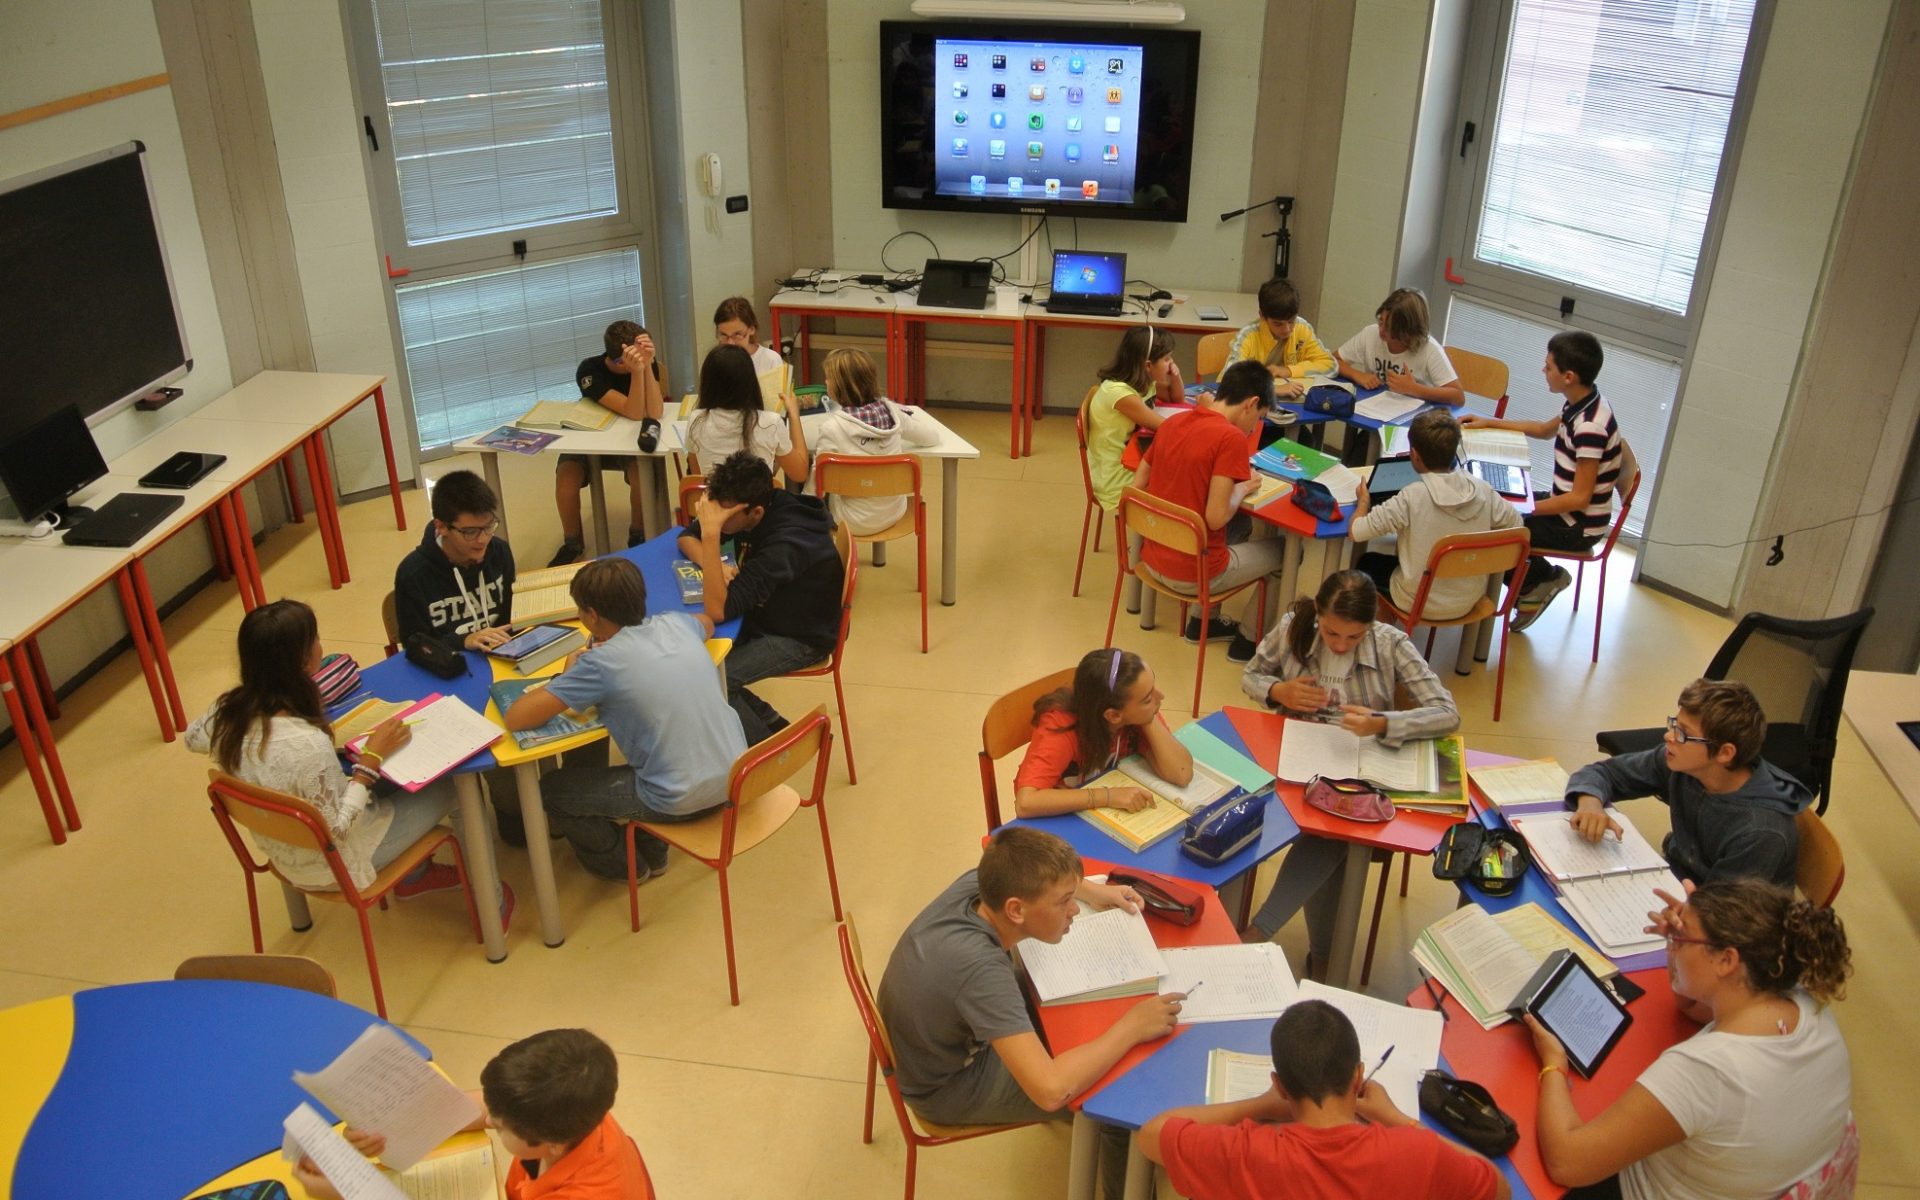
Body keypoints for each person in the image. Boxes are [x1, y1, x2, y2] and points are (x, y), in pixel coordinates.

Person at [878, 827, 1182, 1196]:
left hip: (930, 1045)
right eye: (1064, 902)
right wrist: (1131, 1027)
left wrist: (1094, 891)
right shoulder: (981, 972)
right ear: (1016, 910)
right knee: (1113, 1102)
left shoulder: (982, 884)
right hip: (947, 1086)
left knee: (1079, 1031)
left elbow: (1026, 868)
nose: (1074, 910)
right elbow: (1050, 1090)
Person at [1523, 878, 1853, 1200]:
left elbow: (1567, 1162)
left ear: (1726, 960)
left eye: (1681, 938)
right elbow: (1691, 1006)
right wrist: (1680, 946)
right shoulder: (1802, 1003)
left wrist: (1554, 1066)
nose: (1673, 942)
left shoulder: (1704, 1070)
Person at [185, 600, 510, 922]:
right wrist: (370, 761)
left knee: (394, 781)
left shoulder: (226, 714)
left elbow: (191, 738)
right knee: (458, 788)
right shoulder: (306, 745)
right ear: (303, 661)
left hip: (280, 849)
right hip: (337, 865)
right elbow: (338, 831)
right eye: (315, 639)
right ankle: (491, 906)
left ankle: (417, 877)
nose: (320, 645)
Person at [1239, 571, 1459, 970]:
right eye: (1331, 633)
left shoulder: (1391, 644)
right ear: (1318, 614)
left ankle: (1264, 933)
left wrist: (1383, 722)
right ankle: (1322, 958)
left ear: (1370, 625)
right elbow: (1251, 675)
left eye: (1353, 637)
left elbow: (1447, 713)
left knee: (1335, 830)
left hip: (1359, 771)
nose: (1340, 645)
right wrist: (1278, 691)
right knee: (1313, 829)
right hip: (1295, 762)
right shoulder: (1292, 628)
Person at [503, 557, 745, 883]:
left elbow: (517, 717)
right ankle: (653, 850)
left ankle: (626, 865)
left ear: (591, 616)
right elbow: (707, 624)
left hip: (681, 798)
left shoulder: (599, 664)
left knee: (552, 792)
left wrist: (567, 677)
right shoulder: (675, 623)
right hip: (735, 778)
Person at [1138, 999, 1508, 1200]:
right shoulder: (1416, 1153)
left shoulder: (1248, 1154)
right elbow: (1497, 1188)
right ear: (1358, 1076)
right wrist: (1397, 1119)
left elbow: (1152, 1135)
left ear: (1280, 1086)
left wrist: (1258, 1105)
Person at [293, 1028, 652, 1199]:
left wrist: (350, 1194)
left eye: (501, 1126)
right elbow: (486, 1108)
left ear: (552, 1144)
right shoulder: (576, 1104)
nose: (489, 1120)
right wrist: (384, 1125)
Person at [1565, 679, 1809, 890]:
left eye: (1682, 733)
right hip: (1678, 881)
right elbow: (1604, 772)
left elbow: (1720, 913)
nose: (1668, 736)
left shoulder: (1760, 832)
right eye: (1674, 724)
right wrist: (1590, 803)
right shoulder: (1686, 764)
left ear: (1724, 753)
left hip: (1719, 914)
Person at [1461, 330, 1623, 630]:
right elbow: (1544, 430)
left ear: (1569, 376)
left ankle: (1539, 580)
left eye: (1548, 367)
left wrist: (1526, 508)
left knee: (1494, 528)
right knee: (1497, 505)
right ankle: (1533, 579)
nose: (1543, 370)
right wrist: (1491, 422)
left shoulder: (1590, 426)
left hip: (1577, 526)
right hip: (1565, 508)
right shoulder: (1582, 401)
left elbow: (1579, 499)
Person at [678, 451, 842, 743]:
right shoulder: (753, 502)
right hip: (769, 612)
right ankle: (771, 724)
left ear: (755, 513)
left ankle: (771, 754)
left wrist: (712, 536)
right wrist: (712, 559)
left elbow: (716, 610)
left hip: (802, 636)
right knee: (693, 661)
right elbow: (685, 537)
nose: (713, 519)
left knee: (713, 679)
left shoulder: (784, 545)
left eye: (722, 516)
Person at [1132, 360, 1288, 661]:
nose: (1254, 428)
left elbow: (1138, 486)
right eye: (1259, 418)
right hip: (1194, 574)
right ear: (1251, 403)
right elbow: (1215, 518)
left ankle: (1202, 622)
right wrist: (1242, 488)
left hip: (1151, 559)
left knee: (1240, 526)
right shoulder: (1231, 438)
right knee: (1287, 552)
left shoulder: (1172, 423)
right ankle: (1248, 641)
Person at [1350, 407, 1523, 620]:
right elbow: (1517, 524)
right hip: (1469, 600)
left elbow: (1356, 532)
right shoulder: (1482, 490)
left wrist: (1363, 502)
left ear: (1414, 455)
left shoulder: (1412, 496)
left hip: (1417, 601)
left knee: (1367, 563)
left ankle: (1386, 629)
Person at [1012, 648, 1195, 818]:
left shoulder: (1138, 717)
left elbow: (1182, 773)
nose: (1160, 697)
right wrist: (1108, 796)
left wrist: (1149, 718)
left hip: (1099, 814)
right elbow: (1026, 803)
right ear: (1113, 716)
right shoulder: (1060, 727)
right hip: (1059, 817)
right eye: (1147, 699)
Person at [549, 320, 669, 567]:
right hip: (591, 438)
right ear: (619, 361)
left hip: (627, 443)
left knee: (641, 476)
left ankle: (637, 533)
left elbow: (655, 411)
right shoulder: (589, 371)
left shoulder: (645, 364)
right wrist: (637, 371)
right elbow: (633, 410)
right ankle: (572, 542)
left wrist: (646, 367)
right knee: (566, 478)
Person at [805, 347, 938, 535]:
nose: (825, 382)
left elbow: (816, 483)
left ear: (838, 387)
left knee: (819, 481)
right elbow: (931, 437)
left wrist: (800, 507)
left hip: (850, 521)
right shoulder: (892, 412)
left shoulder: (832, 428)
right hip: (894, 512)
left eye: (828, 378)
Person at [394, 469, 516, 655]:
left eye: (488, 526)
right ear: (442, 527)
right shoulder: (413, 574)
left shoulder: (499, 551)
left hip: (502, 653)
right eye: (470, 532)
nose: (483, 540)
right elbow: (416, 644)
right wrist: (462, 641)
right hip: (451, 662)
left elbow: (512, 614)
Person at [1086, 325, 1182, 515]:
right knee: (1182, 481)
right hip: (1115, 478)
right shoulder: (1120, 394)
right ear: (1148, 365)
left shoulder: (1143, 381)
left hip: (1131, 457)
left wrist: (1175, 377)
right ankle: (1157, 532)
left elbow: (1175, 399)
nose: (1171, 363)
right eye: (1167, 359)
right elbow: (1165, 426)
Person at [683, 343, 810, 482]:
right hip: (759, 496)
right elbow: (800, 474)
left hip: (714, 495)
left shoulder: (696, 419)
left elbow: (698, 476)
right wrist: (794, 414)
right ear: (750, 381)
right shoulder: (770, 423)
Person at [1334, 288, 1465, 407]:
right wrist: (1357, 375)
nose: (1381, 330)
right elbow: (1333, 361)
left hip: (1412, 418)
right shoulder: (1370, 334)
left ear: (1408, 331)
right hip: (1375, 409)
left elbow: (1458, 396)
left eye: (1389, 327)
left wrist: (1414, 389)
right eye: (1381, 321)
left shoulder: (1429, 348)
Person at [1225, 277, 1335, 399]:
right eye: (1278, 324)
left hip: (1286, 400)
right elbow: (1231, 378)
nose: (1287, 329)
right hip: (1252, 401)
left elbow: (1331, 366)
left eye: (1291, 321)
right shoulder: (1248, 336)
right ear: (1262, 316)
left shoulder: (1302, 328)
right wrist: (1271, 390)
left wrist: (1288, 370)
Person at [713, 294, 786, 377]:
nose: (730, 343)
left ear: (751, 329)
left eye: (737, 334)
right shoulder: (715, 361)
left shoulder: (770, 360)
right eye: (723, 335)